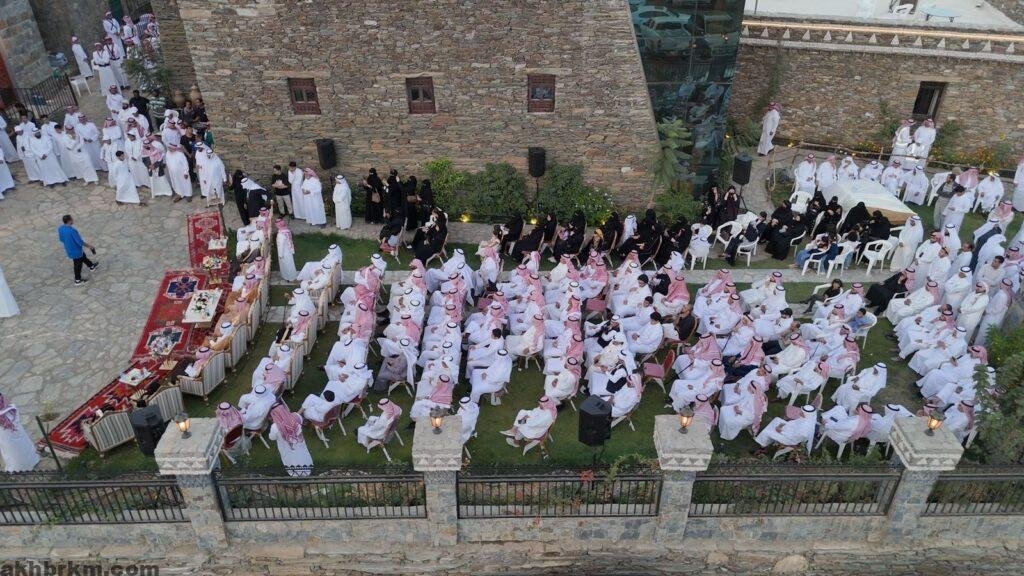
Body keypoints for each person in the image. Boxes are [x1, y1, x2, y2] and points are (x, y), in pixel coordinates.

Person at [267, 404, 313, 476]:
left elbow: (272, 437)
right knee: (303, 455)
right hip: (300, 443)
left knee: (291, 459)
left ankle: (295, 474)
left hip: (287, 447)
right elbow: (300, 421)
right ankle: (307, 470)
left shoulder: (275, 427)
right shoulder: (296, 416)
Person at [0, 393, 39, 472]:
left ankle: (18, 467)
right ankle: (31, 460)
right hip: (9, 416)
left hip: (4, 426)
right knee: (21, 443)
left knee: (10, 447)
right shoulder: (11, 410)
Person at [58, 215, 98, 285]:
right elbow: (79, 242)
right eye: (72, 219)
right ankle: (77, 280)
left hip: (69, 249)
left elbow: (61, 239)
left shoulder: (60, 228)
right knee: (78, 265)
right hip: (76, 251)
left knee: (83, 256)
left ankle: (91, 266)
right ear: (69, 221)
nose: (73, 220)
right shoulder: (72, 231)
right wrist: (89, 246)